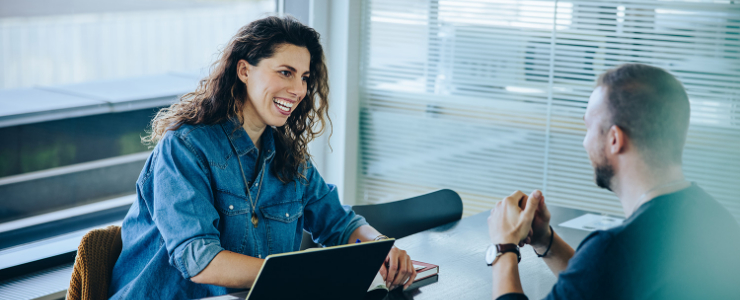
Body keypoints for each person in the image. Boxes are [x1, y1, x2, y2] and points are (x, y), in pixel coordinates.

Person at [109, 16, 416, 299]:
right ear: (244, 70)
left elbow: (339, 223)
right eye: (286, 72)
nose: (298, 90)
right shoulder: (185, 147)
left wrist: (380, 247)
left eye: (305, 78)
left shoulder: (290, 157)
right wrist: (296, 274)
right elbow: (199, 260)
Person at [486, 64, 740, 300]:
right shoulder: (716, 220)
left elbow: (608, 267)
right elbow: (605, 283)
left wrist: (503, 247)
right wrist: (545, 239)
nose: (584, 142)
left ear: (615, 140)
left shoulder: (615, 250)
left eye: (588, 128)